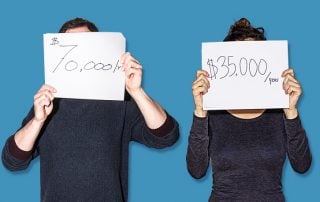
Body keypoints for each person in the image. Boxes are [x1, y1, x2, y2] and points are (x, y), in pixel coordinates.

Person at [2, 17, 179, 202]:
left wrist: (137, 91)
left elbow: (166, 136)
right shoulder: (47, 104)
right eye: (72, 46)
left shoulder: (118, 101)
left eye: (86, 45)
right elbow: (12, 161)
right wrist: (38, 121)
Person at [186, 18, 311, 202]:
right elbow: (196, 170)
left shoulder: (279, 112)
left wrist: (291, 110)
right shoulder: (213, 112)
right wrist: (200, 110)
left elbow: (302, 165)